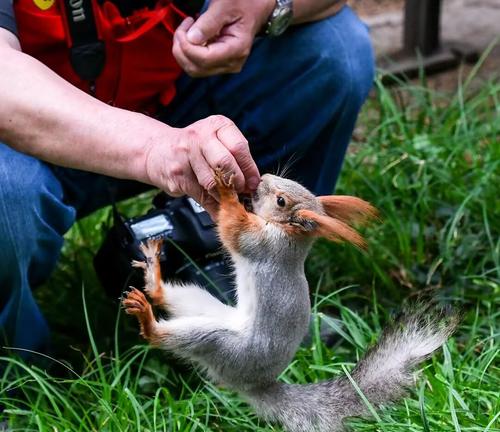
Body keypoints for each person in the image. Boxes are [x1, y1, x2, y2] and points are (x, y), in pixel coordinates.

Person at [0, 0, 374, 356]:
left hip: (176, 91)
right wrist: (154, 148)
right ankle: (19, 364)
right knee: (6, 189)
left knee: (335, 51)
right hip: (28, 132)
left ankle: (247, 283)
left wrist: (266, 8)